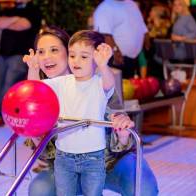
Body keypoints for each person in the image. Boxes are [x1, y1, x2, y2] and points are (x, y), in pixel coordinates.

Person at [24, 26, 158, 196]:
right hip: (68, 167)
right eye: (40, 52)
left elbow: (125, 134)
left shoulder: (98, 84)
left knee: (143, 189)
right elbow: (45, 154)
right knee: (39, 190)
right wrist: (36, 134)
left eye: (54, 50)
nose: (46, 57)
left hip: (110, 164)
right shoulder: (44, 92)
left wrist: (122, 132)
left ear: (69, 51)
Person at [0, 0, 41, 128]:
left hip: (19, 55)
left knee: (8, 88)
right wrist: (16, 19)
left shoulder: (33, 10)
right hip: (2, 54)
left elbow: (23, 25)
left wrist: (10, 22)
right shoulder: (8, 9)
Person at [93, 0, 147, 79]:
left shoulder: (132, 4)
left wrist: (146, 37)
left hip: (133, 58)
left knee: (130, 87)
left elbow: (140, 24)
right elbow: (105, 34)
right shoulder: (105, 7)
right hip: (115, 59)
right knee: (116, 88)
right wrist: (115, 51)